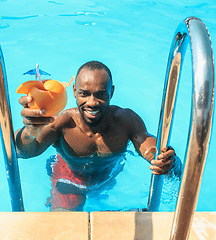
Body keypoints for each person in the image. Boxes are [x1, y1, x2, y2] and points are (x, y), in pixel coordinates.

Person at [15, 60, 176, 211]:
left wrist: (164, 158)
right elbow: (24, 151)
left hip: (107, 179)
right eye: (84, 94)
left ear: (111, 92)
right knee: (62, 227)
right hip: (68, 180)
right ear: (74, 92)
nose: (92, 102)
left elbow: (148, 145)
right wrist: (29, 132)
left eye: (100, 94)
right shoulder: (62, 124)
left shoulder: (126, 121)